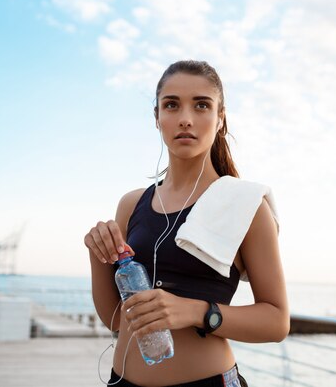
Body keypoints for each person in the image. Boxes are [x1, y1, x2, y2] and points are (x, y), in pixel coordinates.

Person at [83, 60, 289, 387]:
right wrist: (97, 253)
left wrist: (195, 312)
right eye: (172, 105)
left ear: (220, 118)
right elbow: (117, 319)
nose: (185, 119)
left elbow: (277, 322)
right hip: (121, 380)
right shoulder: (131, 204)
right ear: (157, 118)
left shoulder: (245, 205)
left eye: (202, 105)